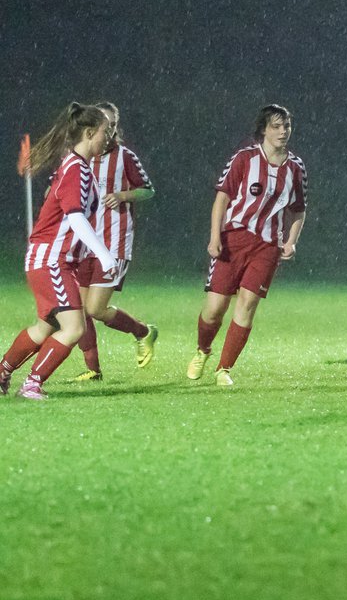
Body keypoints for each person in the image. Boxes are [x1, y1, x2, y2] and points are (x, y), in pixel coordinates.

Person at [0, 103, 119, 400]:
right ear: (90, 132)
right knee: (74, 327)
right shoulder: (76, 168)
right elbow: (76, 217)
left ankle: (2, 372)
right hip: (52, 261)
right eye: (106, 131)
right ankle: (32, 384)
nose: (109, 136)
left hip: (48, 259)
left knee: (45, 328)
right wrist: (104, 254)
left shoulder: (74, 166)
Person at [187, 104, 307, 387]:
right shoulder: (245, 158)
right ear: (264, 129)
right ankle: (203, 350)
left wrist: (291, 241)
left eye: (286, 126)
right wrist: (215, 237)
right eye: (276, 126)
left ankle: (224, 369)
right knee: (215, 308)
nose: (282, 132)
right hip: (234, 238)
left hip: (267, 245)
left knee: (248, 303)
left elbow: (299, 210)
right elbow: (222, 199)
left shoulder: (296, 167)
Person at [72, 101, 159, 382]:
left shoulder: (125, 157)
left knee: (95, 309)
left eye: (111, 126)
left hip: (115, 242)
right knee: (78, 309)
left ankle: (143, 332)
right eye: (102, 126)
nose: (107, 132)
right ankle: (93, 370)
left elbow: (148, 190)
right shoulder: (80, 156)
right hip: (83, 243)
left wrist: (122, 196)